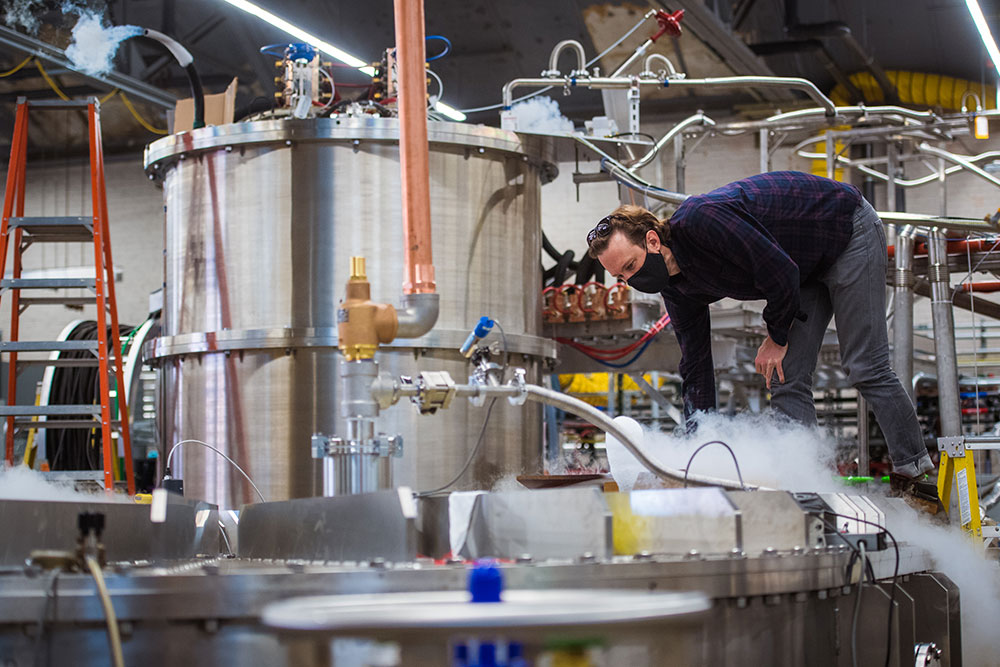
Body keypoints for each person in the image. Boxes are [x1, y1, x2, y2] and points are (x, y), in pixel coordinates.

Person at [586, 171, 937, 499]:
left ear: (652, 240)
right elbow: (696, 365)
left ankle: (916, 476)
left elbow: (779, 271)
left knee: (865, 366)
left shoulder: (701, 220)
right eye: (621, 277)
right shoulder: (677, 290)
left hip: (846, 230)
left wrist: (777, 337)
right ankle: (808, 489)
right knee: (785, 376)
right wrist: (697, 449)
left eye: (630, 266)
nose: (631, 280)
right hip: (804, 267)